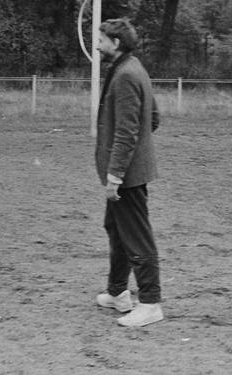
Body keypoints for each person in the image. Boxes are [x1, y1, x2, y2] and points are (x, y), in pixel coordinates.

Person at [94, 18, 163, 327]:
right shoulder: (132, 67)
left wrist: (116, 175)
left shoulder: (125, 75)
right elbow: (153, 118)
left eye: (101, 40)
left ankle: (150, 303)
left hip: (126, 176)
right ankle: (118, 292)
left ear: (116, 43)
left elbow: (127, 131)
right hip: (129, 171)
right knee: (116, 228)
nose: (97, 46)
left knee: (136, 236)